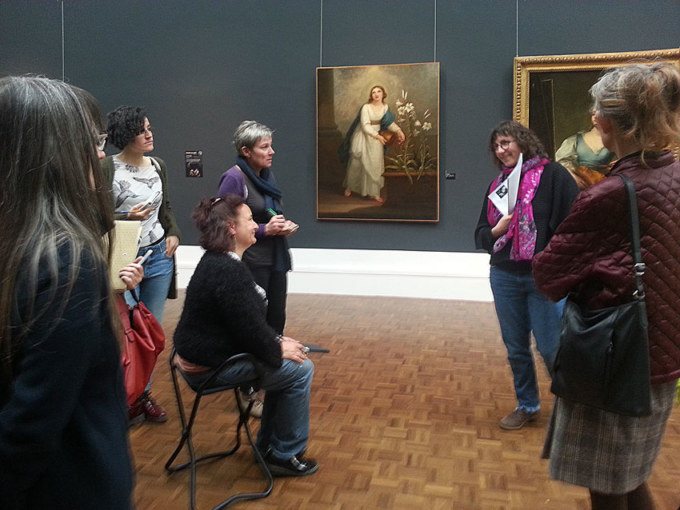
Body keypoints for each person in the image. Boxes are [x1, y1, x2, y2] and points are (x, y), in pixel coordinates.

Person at [533, 62, 680, 510]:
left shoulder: (611, 193)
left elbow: (548, 276)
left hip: (617, 357)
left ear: (605, 121)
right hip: (662, 350)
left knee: (609, 485)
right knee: (629, 476)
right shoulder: (672, 174)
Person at [0, 76, 134, 509]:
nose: (101, 154)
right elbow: (31, 425)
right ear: (56, 153)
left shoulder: (23, 249)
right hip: (69, 486)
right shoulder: (66, 261)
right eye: (94, 142)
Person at [173, 194, 318, 477]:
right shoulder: (227, 270)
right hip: (207, 368)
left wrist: (276, 343)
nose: (256, 225)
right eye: (250, 220)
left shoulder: (219, 261)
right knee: (300, 368)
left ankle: (269, 447)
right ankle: (284, 454)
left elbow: (244, 326)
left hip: (206, 357)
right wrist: (277, 349)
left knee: (288, 362)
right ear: (230, 227)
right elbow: (249, 332)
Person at [474, 120, 579, 430]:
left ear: (523, 141)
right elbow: (481, 235)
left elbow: (573, 225)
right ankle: (528, 405)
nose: (500, 149)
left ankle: (571, 406)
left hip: (542, 277)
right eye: (496, 145)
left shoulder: (554, 176)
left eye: (506, 142)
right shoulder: (498, 186)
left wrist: (555, 261)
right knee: (516, 348)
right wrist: (497, 230)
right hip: (504, 276)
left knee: (550, 346)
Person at [103, 105, 182, 424]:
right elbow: (96, 216)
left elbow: (167, 208)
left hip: (158, 257)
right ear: (125, 136)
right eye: (141, 130)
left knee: (151, 331)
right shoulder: (108, 168)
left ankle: (142, 395)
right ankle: (124, 397)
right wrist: (124, 217)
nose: (150, 134)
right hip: (125, 258)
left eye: (149, 127)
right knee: (127, 332)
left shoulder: (158, 165)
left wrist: (174, 232)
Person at [217, 120, 296, 335]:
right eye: (264, 147)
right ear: (246, 151)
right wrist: (264, 230)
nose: (272, 151)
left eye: (270, 145)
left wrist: (280, 224)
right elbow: (225, 224)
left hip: (274, 257)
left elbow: (270, 212)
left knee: (276, 318)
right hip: (251, 261)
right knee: (254, 321)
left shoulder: (266, 175)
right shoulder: (233, 178)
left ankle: (274, 363)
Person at [340, 85, 405, 204]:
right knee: (357, 164)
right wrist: (377, 136)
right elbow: (365, 125)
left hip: (377, 138)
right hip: (364, 136)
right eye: (373, 92)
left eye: (379, 91)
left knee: (375, 164)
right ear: (371, 95)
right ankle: (350, 187)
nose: (376, 94)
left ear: (383, 94)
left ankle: (374, 193)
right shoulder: (366, 107)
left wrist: (399, 131)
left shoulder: (385, 107)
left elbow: (389, 123)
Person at [554, 114, 616, 189]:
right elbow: (560, 162)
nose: (595, 117)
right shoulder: (575, 140)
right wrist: (572, 176)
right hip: (575, 183)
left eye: (600, 114)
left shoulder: (614, 141)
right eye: (593, 114)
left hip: (599, 185)